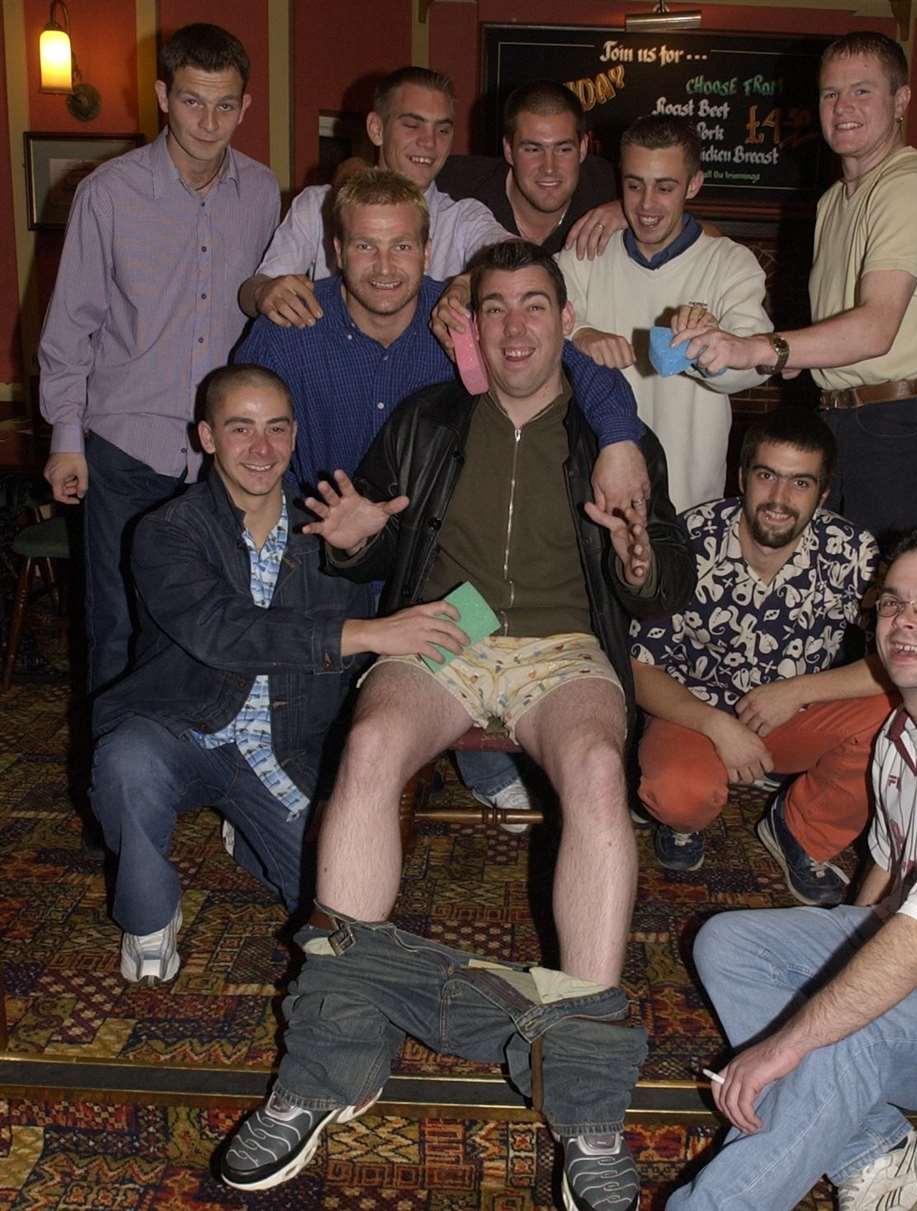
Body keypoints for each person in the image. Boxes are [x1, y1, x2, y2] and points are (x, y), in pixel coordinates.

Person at [219, 239, 692, 1200]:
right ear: (471, 325)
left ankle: (591, 1106)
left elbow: (661, 581)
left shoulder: (611, 439)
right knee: (373, 742)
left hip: (563, 637)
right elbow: (374, 536)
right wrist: (356, 544)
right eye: (495, 309)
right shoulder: (432, 417)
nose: (515, 326)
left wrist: (637, 560)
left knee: (600, 772)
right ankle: (325, 1064)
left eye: (533, 306)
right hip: (455, 618)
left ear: (563, 319)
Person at [667, 531, 917, 1211]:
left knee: (842, 1032)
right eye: (892, 604)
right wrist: (835, 953)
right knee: (727, 942)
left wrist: (790, 1039)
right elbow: (887, 873)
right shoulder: (897, 733)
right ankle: (878, 1151)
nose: (906, 620)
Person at [237, 167, 651, 825]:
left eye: (402, 245)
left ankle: (476, 754)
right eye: (365, 247)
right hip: (317, 545)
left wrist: (621, 435)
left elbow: (564, 360)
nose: (383, 266)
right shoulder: (294, 325)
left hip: (423, 563)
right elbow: (238, 437)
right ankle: (282, 792)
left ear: (428, 253)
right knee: (309, 652)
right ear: (336, 251)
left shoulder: (459, 323)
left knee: (480, 591)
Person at [89, 365, 470, 985]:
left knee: (344, 926)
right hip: (181, 728)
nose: (261, 449)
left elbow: (446, 591)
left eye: (276, 429)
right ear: (207, 437)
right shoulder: (166, 532)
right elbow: (225, 631)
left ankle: (249, 829)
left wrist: (367, 556)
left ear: (295, 436)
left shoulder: (333, 524)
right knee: (126, 765)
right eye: (240, 429)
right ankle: (149, 916)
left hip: (288, 753)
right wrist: (370, 633)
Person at [38, 23, 280, 697]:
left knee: (214, 626)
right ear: (163, 96)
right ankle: (119, 787)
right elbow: (70, 329)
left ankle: (200, 768)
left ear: (246, 107)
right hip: (124, 451)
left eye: (225, 104)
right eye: (194, 101)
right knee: (117, 625)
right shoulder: (107, 194)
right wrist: (65, 439)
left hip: (223, 461)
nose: (209, 121)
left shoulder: (263, 193)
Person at [679, 32, 917, 538]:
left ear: (901, 100)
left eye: (862, 91)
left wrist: (761, 349)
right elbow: (839, 334)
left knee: (894, 602)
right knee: (836, 596)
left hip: (900, 424)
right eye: (830, 94)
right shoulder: (834, 200)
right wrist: (792, 354)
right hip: (840, 422)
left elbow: (876, 329)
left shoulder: (910, 183)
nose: (843, 107)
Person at [631, 407, 892, 900]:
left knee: (891, 712)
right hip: (695, 714)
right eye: (767, 476)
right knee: (678, 794)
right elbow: (639, 665)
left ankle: (800, 830)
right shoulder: (691, 538)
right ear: (742, 477)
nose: (779, 499)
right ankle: (683, 815)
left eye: (800, 483)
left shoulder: (853, 551)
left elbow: (900, 659)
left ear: (823, 492)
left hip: (795, 716)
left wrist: (796, 691)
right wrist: (717, 726)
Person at [558, 115, 773, 513]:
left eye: (665, 187)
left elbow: (754, 365)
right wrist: (582, 334)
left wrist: (710, 350)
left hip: (691, 497)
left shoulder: (730, 262)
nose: (646, 205)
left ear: (693, 184)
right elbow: (540, 321)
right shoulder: (586, 255)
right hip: (595, 490)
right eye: (634, 185)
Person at [239, 66, 516, 327]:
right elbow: (257, 288)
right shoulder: (316, 205)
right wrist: (264, 291)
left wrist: (472, 280)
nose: (430, 142)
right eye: (412, 125)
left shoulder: (463, 217)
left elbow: (523, 258)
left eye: (442, 130)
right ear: (376, 129)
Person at [436, 79, 618, 255]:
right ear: (508, 150)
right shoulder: (458, 186)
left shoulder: (609, 186)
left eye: (563, 149)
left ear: (583, 148)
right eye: (532, 149)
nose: (549, 167)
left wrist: (628, 211)